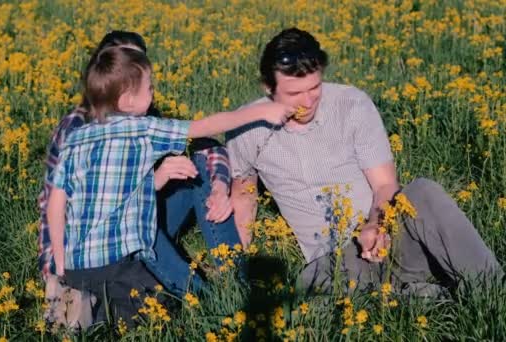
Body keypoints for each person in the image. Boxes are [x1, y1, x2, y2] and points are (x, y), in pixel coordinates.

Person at [227, 28, 502, 296]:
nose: (308, 101)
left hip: (391, 238)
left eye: (314, 88)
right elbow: (243, 199)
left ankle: (493, 291)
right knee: (309, 283)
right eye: (294, 94)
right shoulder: (247, 127)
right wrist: (234, 271)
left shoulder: (351, 104)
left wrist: (376, 225)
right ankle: (426, 294)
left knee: (423, 191)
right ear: (268, 88)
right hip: (337, 263)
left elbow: (384, 185)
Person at [46, 46, 293, 324]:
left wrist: (60, 259)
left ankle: (82, 308)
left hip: (77, 266)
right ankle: (222, 301)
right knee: (164, 311)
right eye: (149, 88)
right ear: (127, 101)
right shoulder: (141, 129)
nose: (153, 93)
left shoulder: (76, 139)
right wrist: (261, 111)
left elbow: (57, 202)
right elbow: (207, 126)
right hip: (120, 264)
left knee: (102, 311)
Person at [37, 31, 241, 299]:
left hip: (146, 216)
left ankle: (238, 281)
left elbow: (207, 143)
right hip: (106, 235)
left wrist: (220, 186)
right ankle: (202, 299)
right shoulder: (78, 126)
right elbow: (51, 202)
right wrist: (55, 269)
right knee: (135, 217)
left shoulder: (144, 114)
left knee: (200, 160)